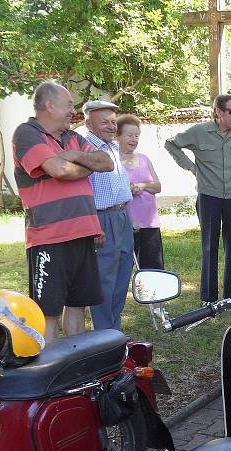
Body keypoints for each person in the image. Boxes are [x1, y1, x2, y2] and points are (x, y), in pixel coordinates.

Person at [12, 81, 113, 345]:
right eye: (69, 105)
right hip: (49, 237)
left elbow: (106, 162)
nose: (73, 110)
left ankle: (73, 366)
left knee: (78, 305)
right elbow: (59, 170)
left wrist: (72, 155)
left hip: (83, 234)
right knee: (48, 312)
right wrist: (84, 165)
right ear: (49, 104)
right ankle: (50, 370)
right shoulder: (26, 133)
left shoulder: (72, 138)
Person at [164, 94, 231, 303]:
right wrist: (190, 166)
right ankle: (208, 297)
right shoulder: (199, 132)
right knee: (209, 246)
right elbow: (171, 144)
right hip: (209, 197)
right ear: (218, 112)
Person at [83, 99, 134, 331]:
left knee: (122, 275)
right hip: (101, 218)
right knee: (105, 279)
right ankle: (104, 333)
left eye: (113, 122)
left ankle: (114, 330)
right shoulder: (85, 146)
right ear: (88, 122)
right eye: (104, 121)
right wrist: (93, 226)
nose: (111, 126)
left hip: (122, 217)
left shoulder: (113, 147)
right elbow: (81, 192)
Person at [117, 114, 164, 269]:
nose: (134, 139)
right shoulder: (113, 162)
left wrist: (142, 186)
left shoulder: (144, 159)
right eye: (129, 135)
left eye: (137, 136)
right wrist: (127, 189)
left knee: (153, 269)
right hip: (126, 224)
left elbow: (158, 186)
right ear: (118, 136)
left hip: (149, 224)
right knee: (123, 268)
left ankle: (151, 294)